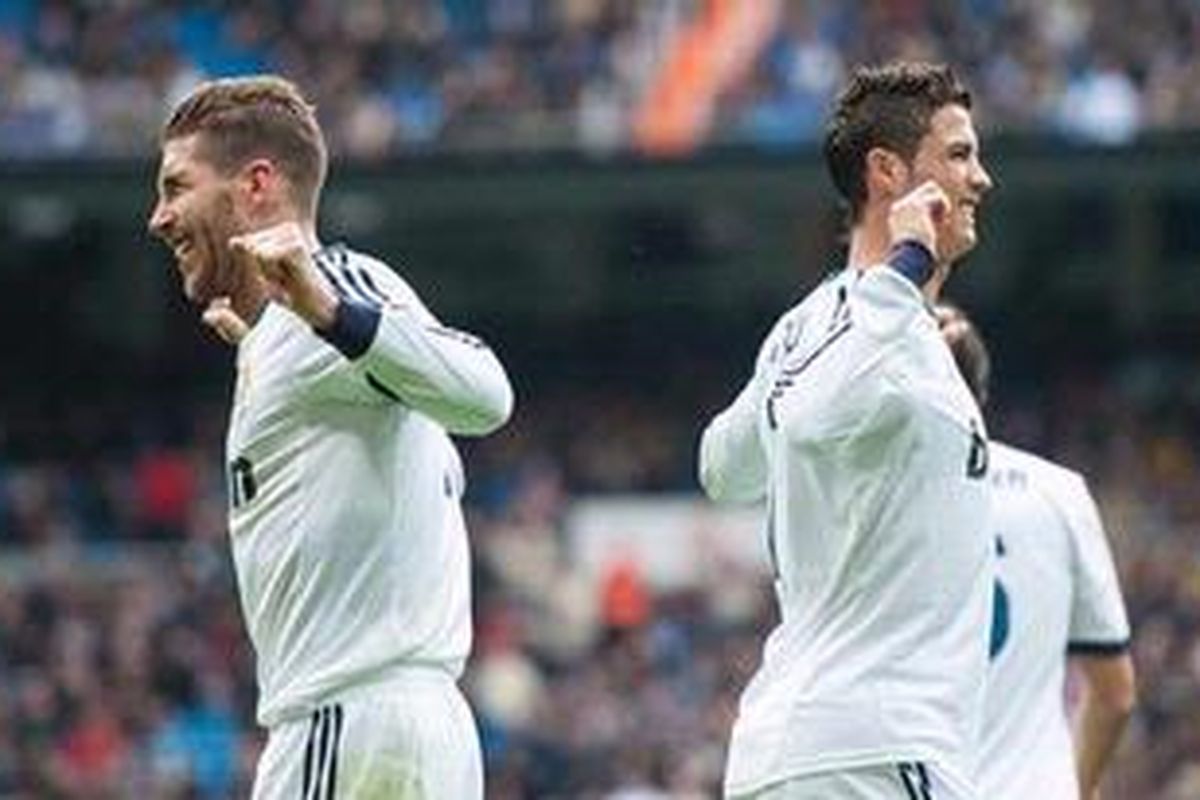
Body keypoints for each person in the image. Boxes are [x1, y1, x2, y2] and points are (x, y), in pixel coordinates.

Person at [147, 75, 513, 798]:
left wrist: (323, 311)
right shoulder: (295, 339)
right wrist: (276, 344)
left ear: (256, 184)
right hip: (395, 726)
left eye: (175, 187)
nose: (158, 217)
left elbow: (486, 393)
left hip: (347, 724)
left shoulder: (333, 292)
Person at [699, 61, 995, 799]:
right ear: (888, 172)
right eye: (959, 155)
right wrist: (905, 269)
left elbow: (724, 466)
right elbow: (813, 414)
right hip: (877, 747)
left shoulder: (806, 330)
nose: (981, 178)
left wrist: (780, 390)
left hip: (805, 747)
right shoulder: (882, 316)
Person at [936, 304, 1136, 800]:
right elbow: (1114, 693)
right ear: (980, 393)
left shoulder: (874, 502)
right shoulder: (1059, 493)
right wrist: (1076, 789)